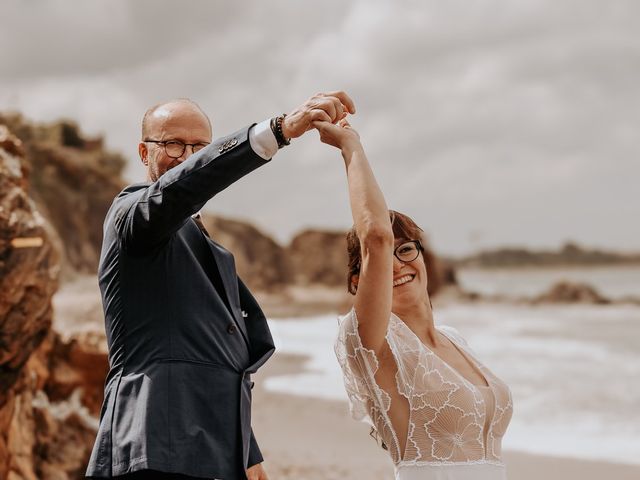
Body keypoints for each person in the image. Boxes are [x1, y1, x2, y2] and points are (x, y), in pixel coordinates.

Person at [85, 92, 356, 480]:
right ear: (144, 153)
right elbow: (175, 191)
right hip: (153, 440)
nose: (188, 156)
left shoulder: (208, 246)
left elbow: (217, 353)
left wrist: (247, 449)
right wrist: (277, 131)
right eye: (173, 143)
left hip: (214, 446)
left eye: (199, 147)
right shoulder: (132, 214)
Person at [315, 118, 513, 480]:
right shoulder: (370, 342)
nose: (396, 264)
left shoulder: (455, 339)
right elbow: (375, 236)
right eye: (382, 258)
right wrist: (350, 145)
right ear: (359, 281)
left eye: (406, 249)